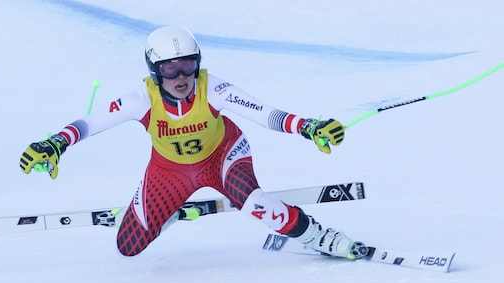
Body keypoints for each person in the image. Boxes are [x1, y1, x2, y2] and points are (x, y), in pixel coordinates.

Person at [20, 26, 368, 260]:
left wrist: (307, 127)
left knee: (254, 203)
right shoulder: (142, 97)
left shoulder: (212, 87)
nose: (181, 77)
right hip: (169, 171)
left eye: (188, 66)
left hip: (223, 156)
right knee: (128, 246)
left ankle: (316, 236)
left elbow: (264, 113)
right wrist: (55, 144)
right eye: (170, 69)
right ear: (155, 71)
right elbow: (90, 123)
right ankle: (171, 212)